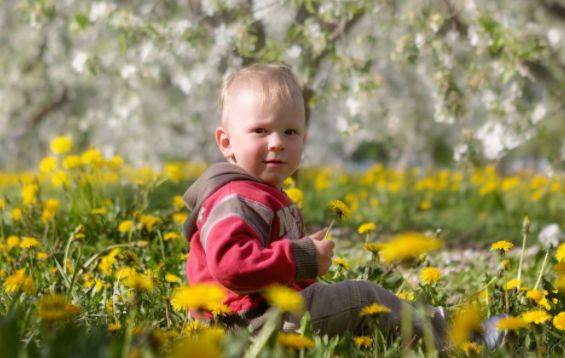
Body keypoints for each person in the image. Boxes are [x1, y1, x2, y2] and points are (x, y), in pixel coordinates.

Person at [181, 64, 501, 352]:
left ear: (303, 138)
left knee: (357, 304)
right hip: (246, 327)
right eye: (260, 131)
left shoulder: (258, 192)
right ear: (226, 142)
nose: (277, 142)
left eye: (290, 131)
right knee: (360, 299)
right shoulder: (235, 199)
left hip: (259, 315)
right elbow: (231, 267)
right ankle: (456, 341)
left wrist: (303, 255)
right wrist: (301, 256)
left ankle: (421, 334)